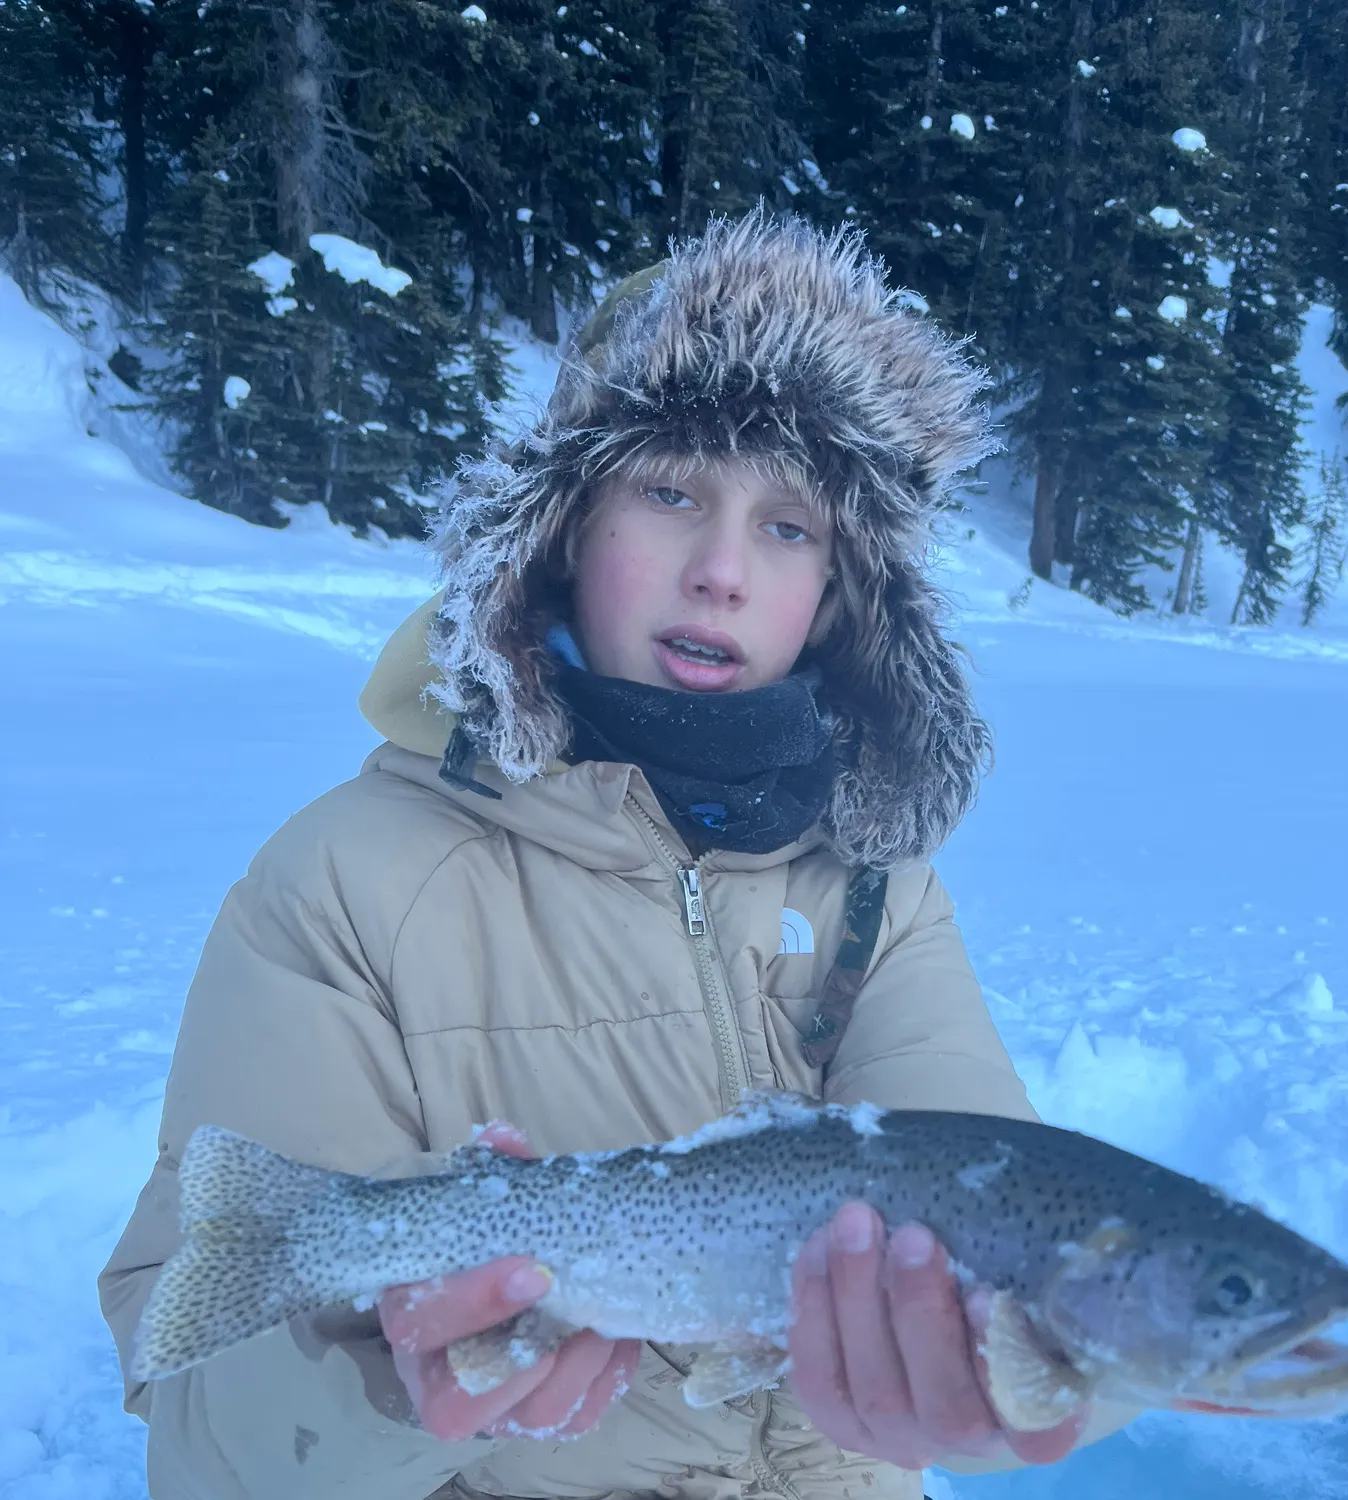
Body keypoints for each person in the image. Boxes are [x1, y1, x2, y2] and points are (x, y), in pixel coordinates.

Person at [99, 212, 1134, 1500]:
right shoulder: (346, 884)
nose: (720, 573)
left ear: (842, 589)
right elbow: (205, 1435)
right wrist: (396, 1390)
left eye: (790, 526)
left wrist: (1002, 1379)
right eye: (669, 491)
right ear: (566, 526)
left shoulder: (874, 888)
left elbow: (1013, 1225)